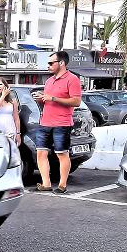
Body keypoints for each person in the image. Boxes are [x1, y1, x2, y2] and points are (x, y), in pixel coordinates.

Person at [32, 50, 82, 194]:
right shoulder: (49, 81)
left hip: (62, 123)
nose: (48, 66)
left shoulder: (72, 79)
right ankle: (46, 184)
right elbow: (47, 101)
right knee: (41, 154)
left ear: (61, 63)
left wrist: (52, 98)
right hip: (45, 122)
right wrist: (41, 100)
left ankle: (62, 185)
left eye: (50, 63)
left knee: (62, 154)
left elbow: (76, 101)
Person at [0, 77, 21, 146]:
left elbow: (16, 118)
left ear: (5, 86)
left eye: (0, 84)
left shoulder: (13, 101)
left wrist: (18, 133)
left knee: (11, 155)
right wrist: (3, 95)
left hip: (11, 132)